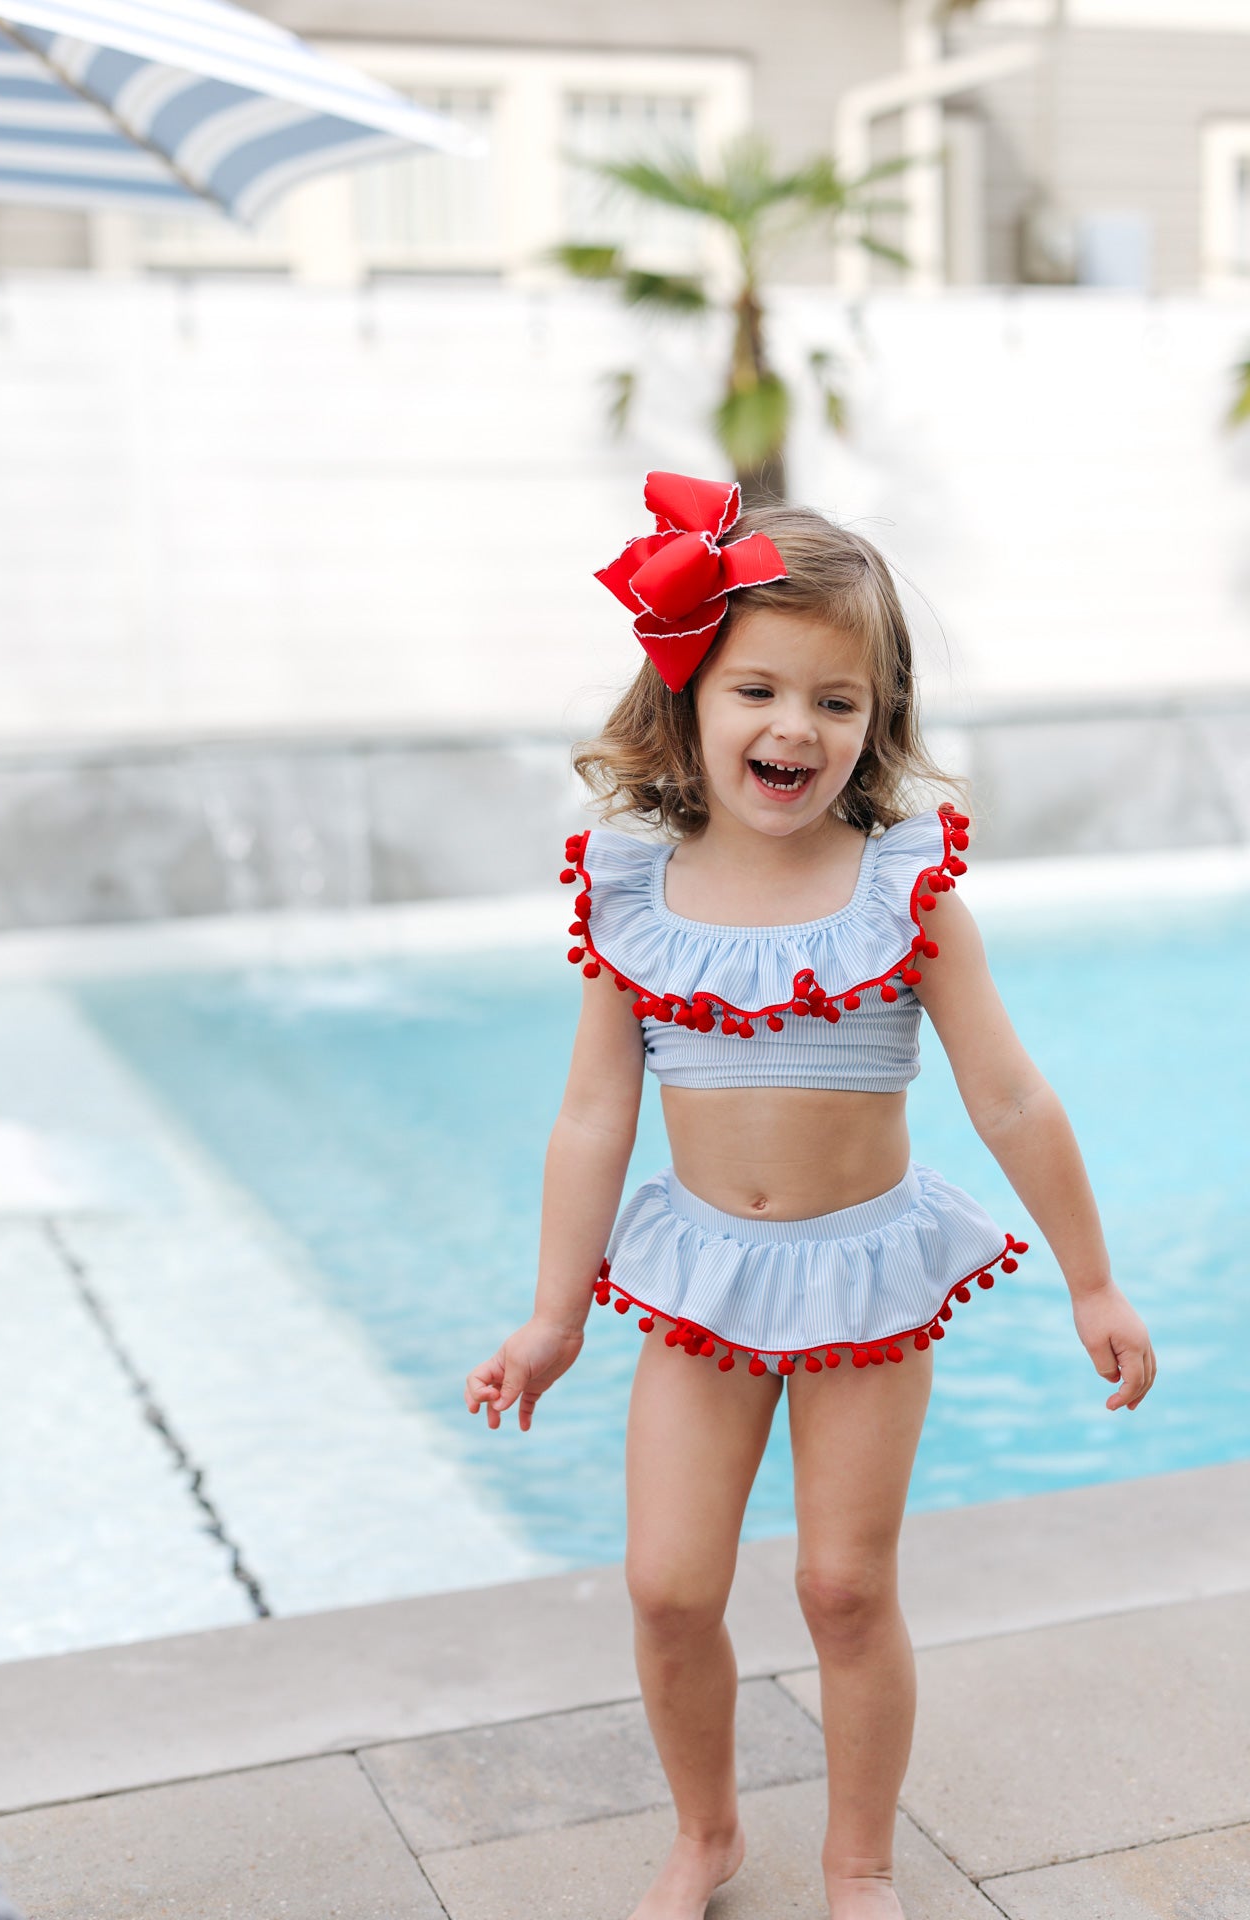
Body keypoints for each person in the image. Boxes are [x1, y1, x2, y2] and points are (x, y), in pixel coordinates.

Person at [464, 471, 1157, 1920]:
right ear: (688, 703)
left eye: (837, 702)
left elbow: (1011, 1095)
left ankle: (859, 1866)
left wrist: (1093, 1278)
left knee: (844, 1588)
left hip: (863, 1278)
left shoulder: (903, 893)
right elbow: (597, 1113)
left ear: (877, 721)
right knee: (667, 1585)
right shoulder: (634, 892)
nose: (795, 728)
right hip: (701, 1282)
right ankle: (705, 1833)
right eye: (758, 690)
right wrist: (552, 1315)